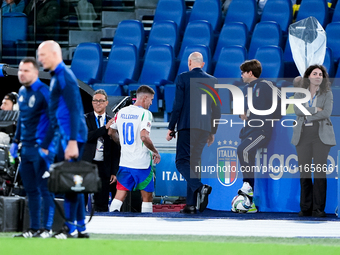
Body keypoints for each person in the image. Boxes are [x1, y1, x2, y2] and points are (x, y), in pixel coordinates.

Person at [37, 40, 89, 238]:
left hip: (72, 137)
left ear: (54, 54)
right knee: (71, 183)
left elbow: (76, 109)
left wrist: (72, 142)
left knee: (70, 184)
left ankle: (71, 228)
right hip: (64, 136)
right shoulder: (56, 77)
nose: (40, 59)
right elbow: (54, 115)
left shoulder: (65, 76)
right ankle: (80, 228)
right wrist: (45, 144)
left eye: (43, 55)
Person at [166, 52, 221, 214]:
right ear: (202, 64)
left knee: (181, 162)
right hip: (204, 127)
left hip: (187, 125)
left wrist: (171, 127)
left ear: (189, 62)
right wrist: (213, 130)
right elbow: (216, 109)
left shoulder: (183, 77)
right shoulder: (213, 80)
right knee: (195, 163)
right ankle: (190, 205)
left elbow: (178, 104)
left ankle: (199, 187)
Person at [10, 57, 56, 238]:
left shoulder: (45, 92)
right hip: (26, 148)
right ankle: (34, 228)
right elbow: (22, 119)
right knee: (30, 190)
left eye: (26, 70)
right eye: (20, 70)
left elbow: (55, 121)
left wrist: (45, 147)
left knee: (45, 189)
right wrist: (15, 141)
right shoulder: (21, 91)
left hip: (41, 149)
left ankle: (47, 228)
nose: (22, 73)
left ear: (36, 73)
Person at [236, 59, 281, 213]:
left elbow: (282, 101)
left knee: (243, 150)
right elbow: (245, 110)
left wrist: (271, 117)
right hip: (249, 130)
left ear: (250, 72)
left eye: (243, 72)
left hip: (262, 130)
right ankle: (249, 198)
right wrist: (242, 113)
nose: (241, 75)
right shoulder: (245, 90)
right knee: (244, 151)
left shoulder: (266, 84)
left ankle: (247, 186)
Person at [107, 85, 161, 213]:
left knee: (120, 195)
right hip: (141, 163)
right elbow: (144, 137)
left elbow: (110, 132)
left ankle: (110, 220)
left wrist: (122, 144)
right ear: (145, 98)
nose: (151, 103)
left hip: (125, 162)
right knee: (147, 197)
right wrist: (155, 151)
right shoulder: (145, 114)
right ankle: (147, 226)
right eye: (151, 100)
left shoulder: (121, 112)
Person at [291, 64, 335, 218]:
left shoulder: (327, 93)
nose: (318, 76)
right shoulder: (299, 93)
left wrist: (308, 115)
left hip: (320, 136)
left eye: (320, 74)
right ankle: (305, 208)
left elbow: (327, 113)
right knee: (304, 173)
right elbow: (297, 110)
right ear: (308, 76)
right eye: (315, 73)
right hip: (302, 135)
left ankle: (318, 209)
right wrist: (316, 109)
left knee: (319, 173)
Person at [82, 89, 119, 212]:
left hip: (104, 165)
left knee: (102, 201)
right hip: (87, 164)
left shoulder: (112, 121)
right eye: (95, 101)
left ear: (106, 103)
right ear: (92, 103)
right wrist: (105, 128)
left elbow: (115, 148)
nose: (98, 103)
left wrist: (114, 171)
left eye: (101, 101)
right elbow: (87, 136)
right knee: (82, 197)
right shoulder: (85, 118)